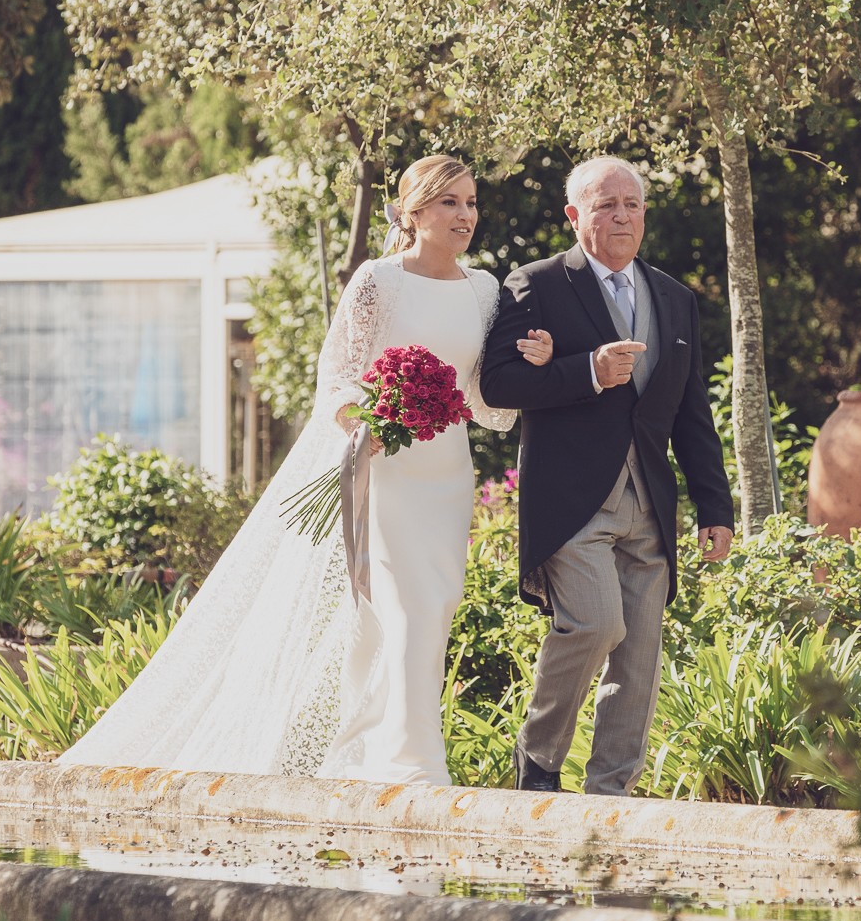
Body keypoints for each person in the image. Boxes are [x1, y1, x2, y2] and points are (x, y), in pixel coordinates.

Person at [60, 155, 548, 783]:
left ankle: (364, 752)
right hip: (385, 473)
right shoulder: (378, 281)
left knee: (427, 609)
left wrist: (533, 365)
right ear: (416, 210)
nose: (465, 216)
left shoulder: (484, 291)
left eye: (472, 203)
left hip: (447, 477)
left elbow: (482, 398)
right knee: (410, 610)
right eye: (450, 202)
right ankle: (413, 769)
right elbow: (338, 377)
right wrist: (366, 421)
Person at [479, 156, 735, 797]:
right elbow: (499, 384)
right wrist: (586, 370)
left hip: (650, 503)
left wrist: (716, 508)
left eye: (632, 204)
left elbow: (691, 411)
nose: (621, 215)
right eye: (604, 204)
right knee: (596, 625)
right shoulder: (534, 286)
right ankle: (537, 764)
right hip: (571, 501)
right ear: (574, 216)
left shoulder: (675, 299)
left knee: (639, 658)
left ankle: (611, 795)